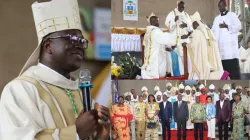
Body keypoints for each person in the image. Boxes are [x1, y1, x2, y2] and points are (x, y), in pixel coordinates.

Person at [0, 0, 110, 139]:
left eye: (82, 40)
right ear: (48, 46)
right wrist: (75, 133)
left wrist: (103, 136)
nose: (80, 45)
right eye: (72, 38)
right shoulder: (21, 90)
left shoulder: (83, 95)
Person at [187, 12, 224, 79]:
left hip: (204, 62)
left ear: (196, 23)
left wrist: (187, 44)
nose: (193, 27)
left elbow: (193, 45)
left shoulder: (197, 32)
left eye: (193, 25)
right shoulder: (207, 29)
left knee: (200, 73)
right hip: (213, 62)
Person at [212, 0, 242, 79]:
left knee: (233, 73)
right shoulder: (217, 18)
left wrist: (227, 26)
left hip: (230, 51)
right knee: (223, 74)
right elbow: (213, 31)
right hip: (220, 51)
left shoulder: (232, 15)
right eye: (219, 6)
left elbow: (239, 26)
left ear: (226, 6)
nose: (220, 8)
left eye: (221, 6)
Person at [141, 13, 176, 79]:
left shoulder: (147, 32)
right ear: (155, 21)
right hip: (155, 58)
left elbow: (154, 43)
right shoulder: (156, 31)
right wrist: (175, 35)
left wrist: (165, 47)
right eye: (158, 20)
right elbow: (167, 39)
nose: (159, 22)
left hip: (149, 57)